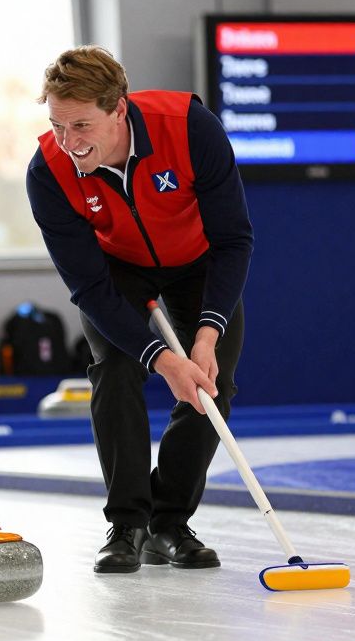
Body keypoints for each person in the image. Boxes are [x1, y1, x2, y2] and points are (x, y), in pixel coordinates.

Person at [25, 46, 253, 574]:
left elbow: (234, 240)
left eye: (81, 124)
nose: (69, 141)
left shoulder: (190, 127)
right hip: (116, 272)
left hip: (198, 262)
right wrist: (161, 356)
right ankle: (127, 523)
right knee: (117, 367)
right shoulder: (49, 172)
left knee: (211, 381)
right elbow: (87, 285)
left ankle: (169, 524)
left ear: (119, 109)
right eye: (58, 125)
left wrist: (205, 335)